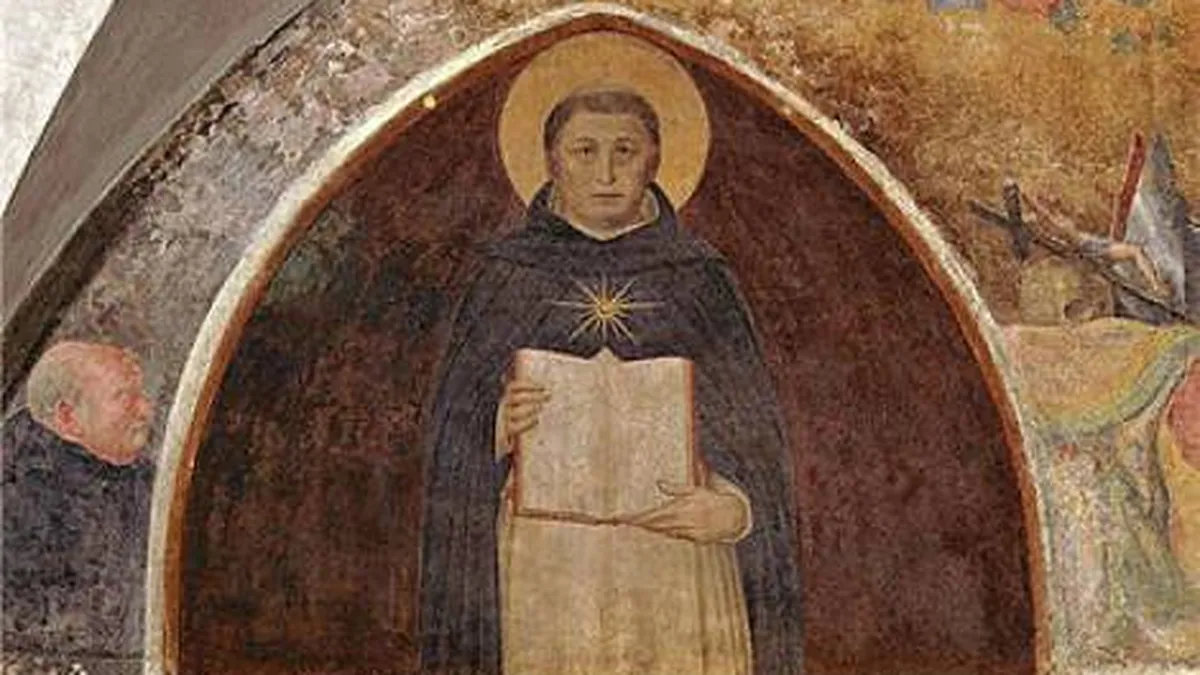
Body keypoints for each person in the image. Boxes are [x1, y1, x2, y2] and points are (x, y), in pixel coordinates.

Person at [418, 87, 803, 674]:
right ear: (552, 160)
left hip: (676, 553)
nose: (606, 173)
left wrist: (735, 510)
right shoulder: (507, 276)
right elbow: (450, 437)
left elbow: (754, 440)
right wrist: (493, 428)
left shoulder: (697, 279)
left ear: (655, 159)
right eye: (585, 151)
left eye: (625, 151)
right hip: (546, 561)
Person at [2, 341, 155, 658]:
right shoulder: (17, 498)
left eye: (140, 395)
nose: (145, 410)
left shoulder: (141, 478)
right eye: (123, 397)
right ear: (68, 417)